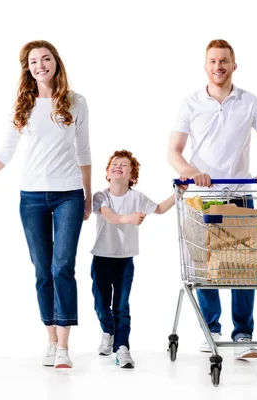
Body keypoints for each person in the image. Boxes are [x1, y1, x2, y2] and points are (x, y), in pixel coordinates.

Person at [0, 40, 91, 368]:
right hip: (32, 197)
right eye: (33, 61)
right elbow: (5, 152)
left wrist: (88, 196)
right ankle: (50, 339)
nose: (40, 65)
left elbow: (84, 152)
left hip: (69, 195)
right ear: (28, 68)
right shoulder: (23, 105)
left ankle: (64, 346)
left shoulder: (77, 103)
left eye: (45, 59)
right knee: (42, 270)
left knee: (62, 266)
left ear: (56, 62)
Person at [167, 39, 257, 359]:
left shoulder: (250, 102)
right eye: (213, 61)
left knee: (243, 266)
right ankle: (211, 329)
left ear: (234, 65)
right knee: (206, 266)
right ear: (205, 67)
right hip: (203, 197)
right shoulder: (190, 104)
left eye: (224, 61)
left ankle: (243, 334)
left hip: (240, 193)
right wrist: (190, 169)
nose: (218, 66)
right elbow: (173, 151)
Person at [91, 150, 176, 368]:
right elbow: (110, 217)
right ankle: (108, 331)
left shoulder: (137, 197)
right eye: (114, 164)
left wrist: (178, 193)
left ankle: (122, 348)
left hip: (125, 260)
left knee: (121, 307)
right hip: (101, 259)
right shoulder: (101, 196)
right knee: (101, 305)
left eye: (124, 165)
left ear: (132, 176)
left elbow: (159, 209)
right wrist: (130, 218)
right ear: (108, 173)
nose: (118, 166)